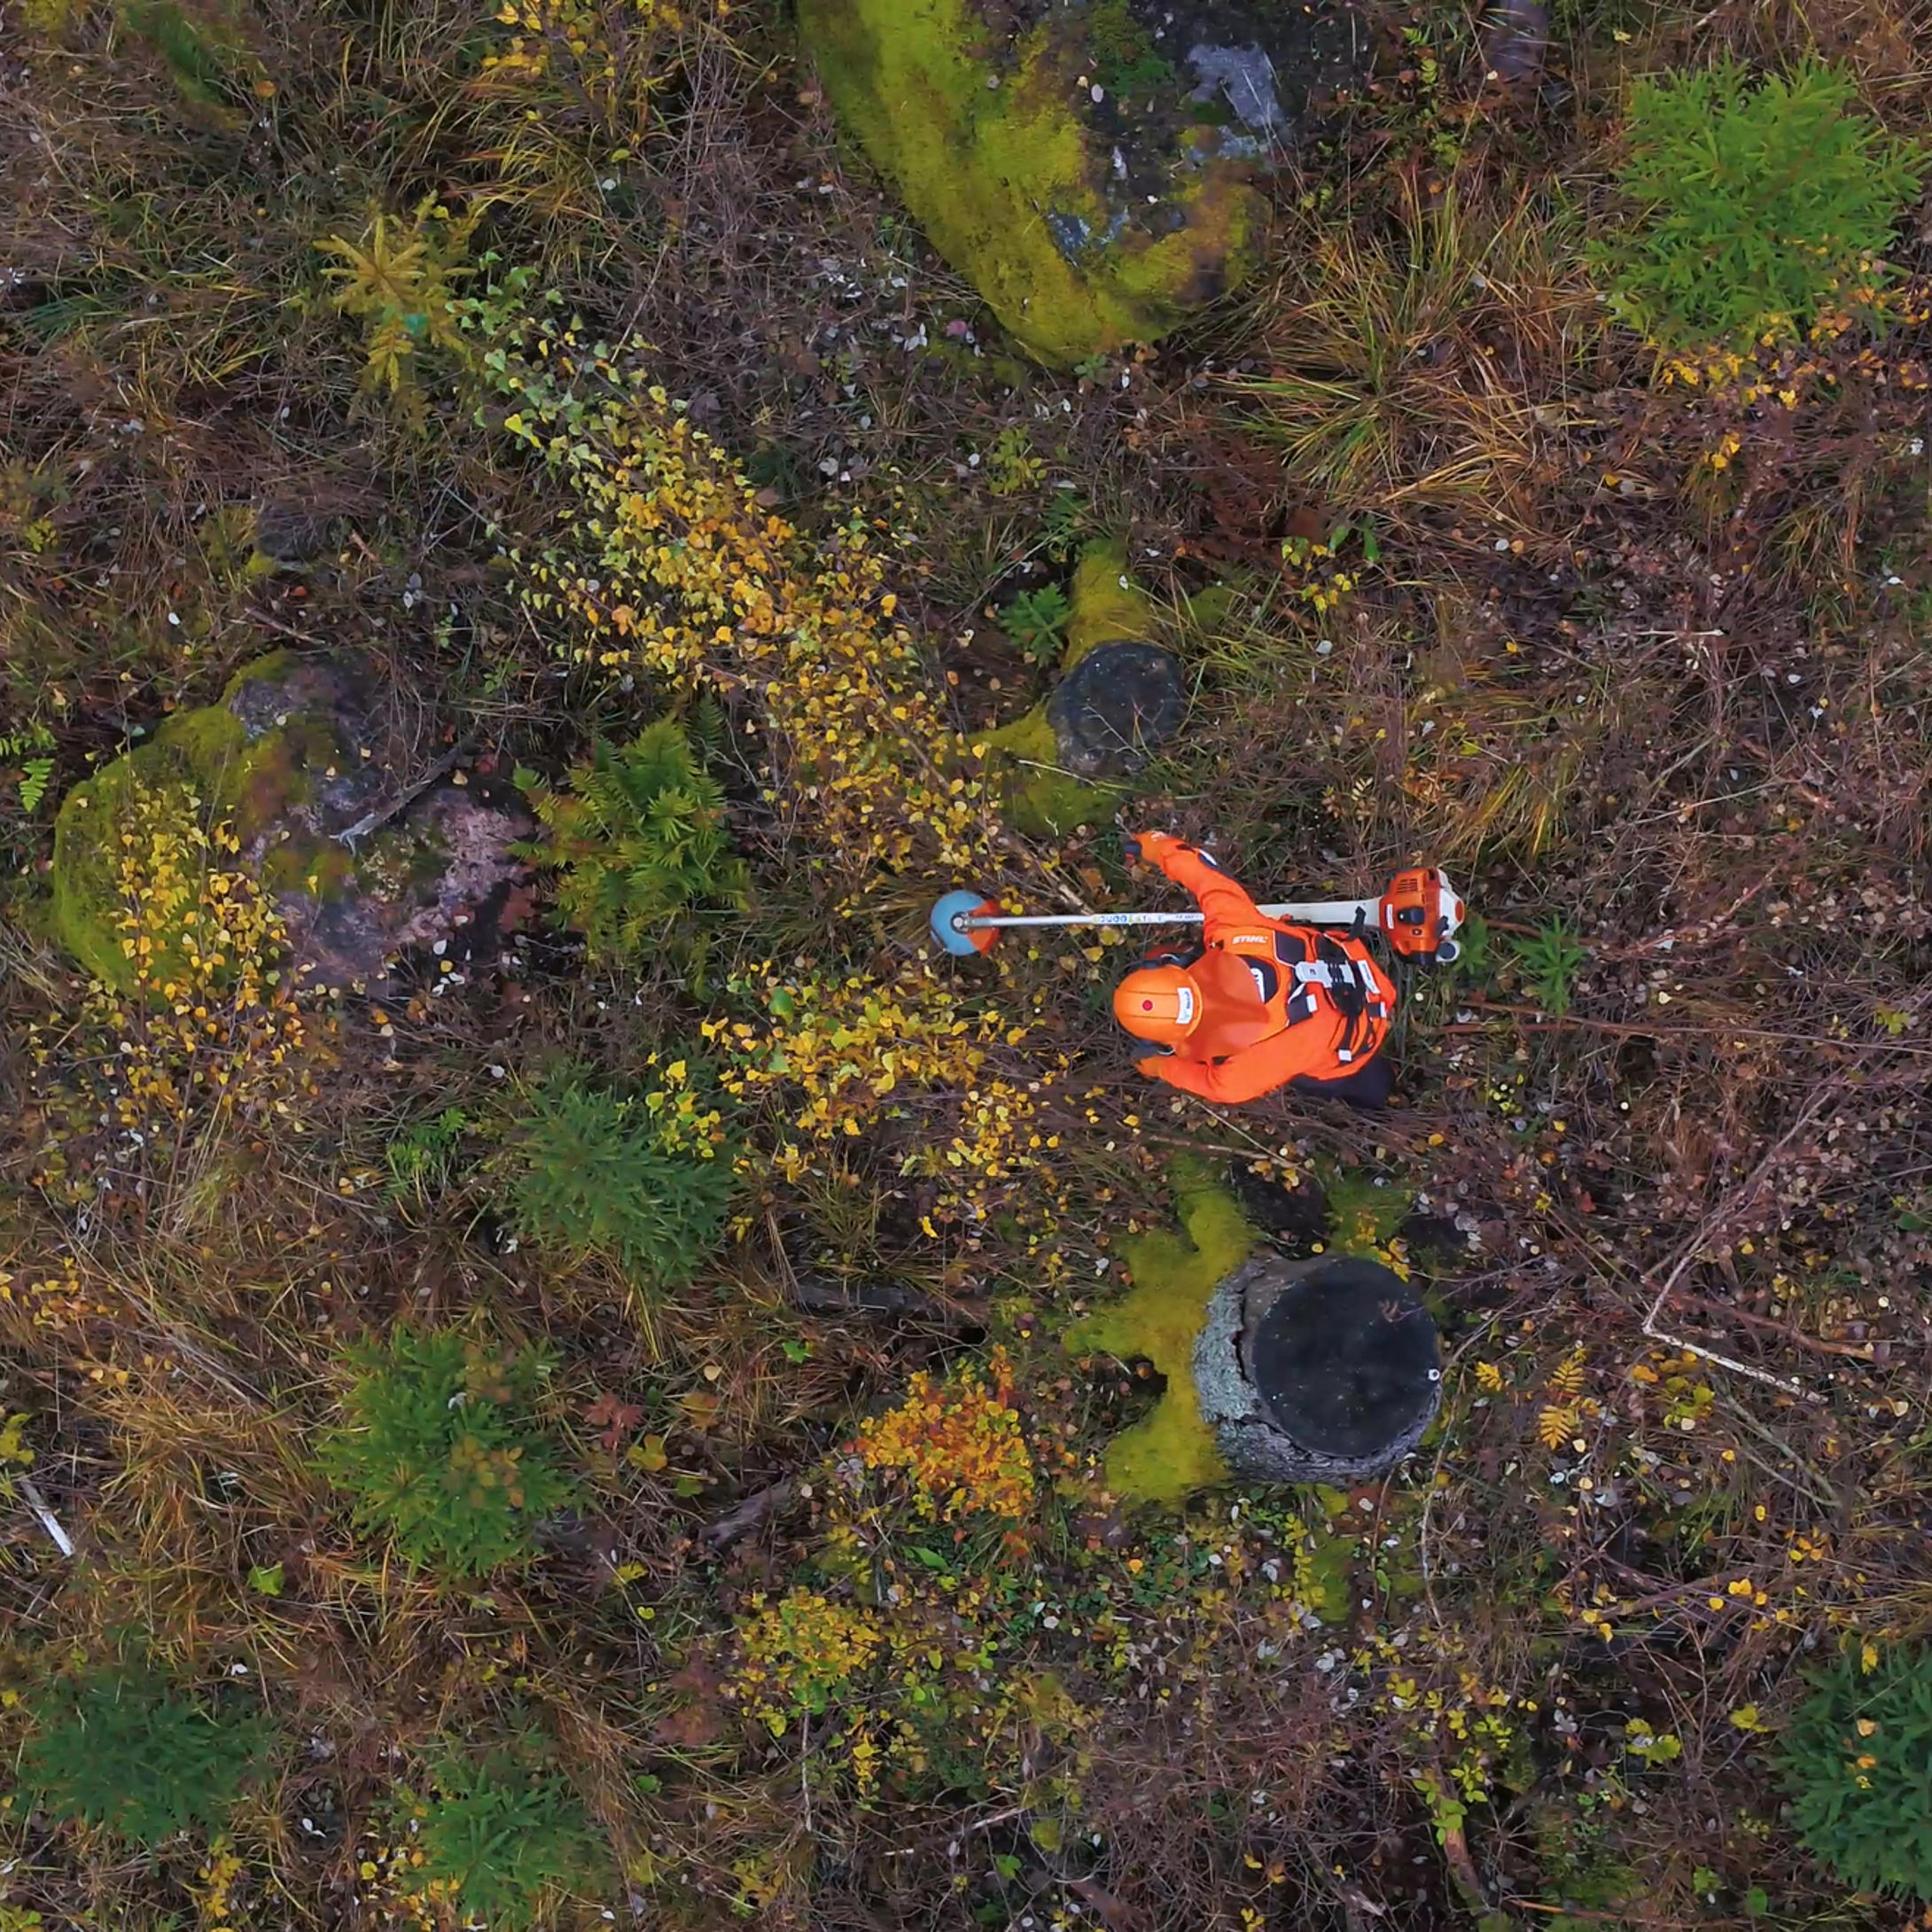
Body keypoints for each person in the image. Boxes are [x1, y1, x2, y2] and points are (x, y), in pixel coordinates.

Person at [1112, 830, 1398, 1108]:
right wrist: (1155, 846)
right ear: (1179, 966)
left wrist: (1159, 1066)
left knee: (1359, 1085)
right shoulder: (1234, 931)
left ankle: (1375, 1096)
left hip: (1355, 1049)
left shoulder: (1240, 1073)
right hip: (1360, 971)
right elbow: (1203, 872)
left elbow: (1202, 1079)